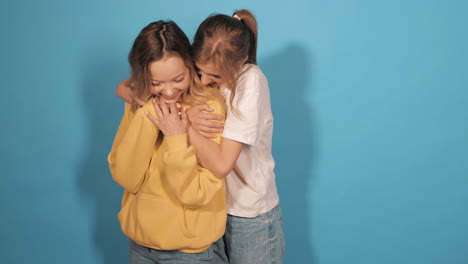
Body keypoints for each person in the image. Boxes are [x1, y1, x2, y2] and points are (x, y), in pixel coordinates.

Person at [117, 9, 284, 264]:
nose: (204, 81)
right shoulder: (185, 81)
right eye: (197, 70)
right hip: (213, 209)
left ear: (240, 62)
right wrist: (165, 109)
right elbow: (127, 87)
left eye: (214, 77)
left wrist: (182, 124)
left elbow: (220, 165)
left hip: (248, 211)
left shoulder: (249, 82)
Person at [108, 20, 228, 264]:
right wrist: (150, 114)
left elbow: (197, 194)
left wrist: (176, 137)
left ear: (190, 65)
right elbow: (126, 176)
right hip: (140, 245)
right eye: (156, 83)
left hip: (189, 252)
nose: (170, 91)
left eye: (178, 78)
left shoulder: (207, 108)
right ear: (143, 77)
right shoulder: (141, 104)